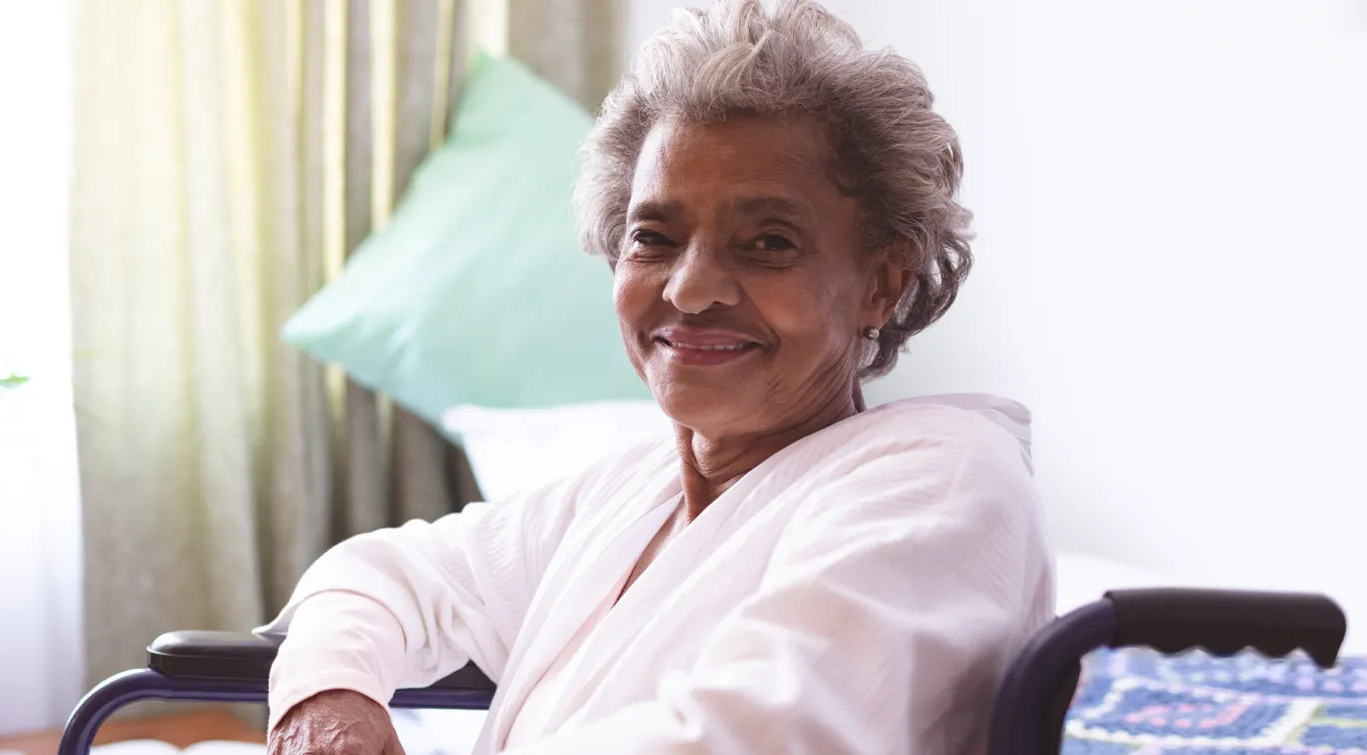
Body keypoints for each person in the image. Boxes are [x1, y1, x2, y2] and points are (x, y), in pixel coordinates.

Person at [258, 1, 1053, 753]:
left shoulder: (940, 476)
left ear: (882, 281)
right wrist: (329, 700)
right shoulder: (633, 494)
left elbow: (745, 736)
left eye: (769, 242)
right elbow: (383, 574)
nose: (689, 289)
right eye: (654, 238)